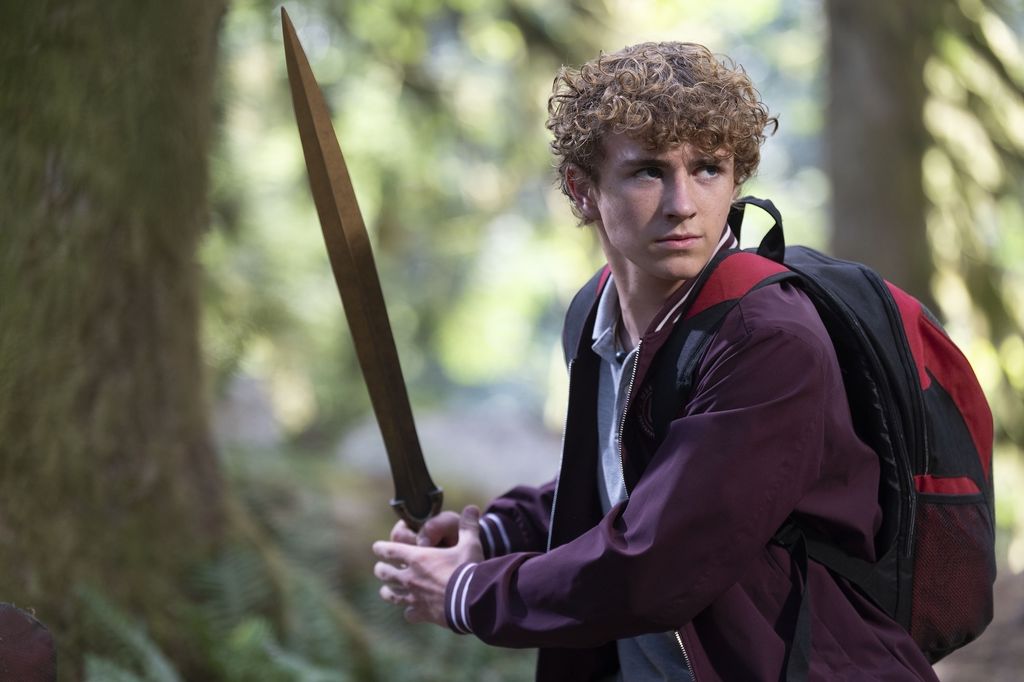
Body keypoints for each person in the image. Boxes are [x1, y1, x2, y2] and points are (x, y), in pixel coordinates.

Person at [372, 41, 939, 681]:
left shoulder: (767, 339)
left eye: (708, 169)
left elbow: (658, 562)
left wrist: (466, 594)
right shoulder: (595, 314)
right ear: (580, 189)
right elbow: (630, 481)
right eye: (648, 171)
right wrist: (498, 532)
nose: (682, 204)